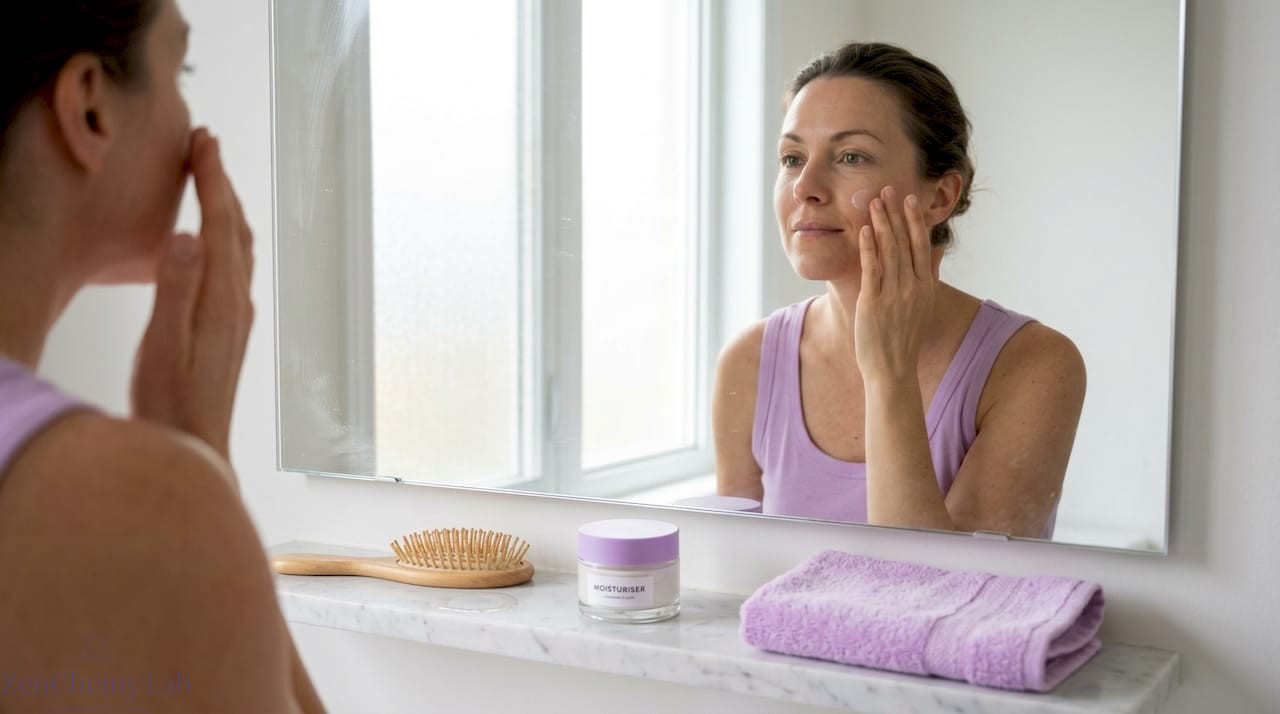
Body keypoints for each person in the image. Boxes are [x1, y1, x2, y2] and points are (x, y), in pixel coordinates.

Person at [0, 1, 324, 711]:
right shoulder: (140, 510)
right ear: (89, 109)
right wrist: (201, 463)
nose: (193, 130)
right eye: (183, 69)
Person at [713, 42, 1085, 539]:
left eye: (851, 156)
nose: (805, 186)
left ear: (940, 197)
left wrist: (888, 373)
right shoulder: (750, 361)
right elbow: (733, 579)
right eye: (792, 157)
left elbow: (942, 592)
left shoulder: (1035, 366)